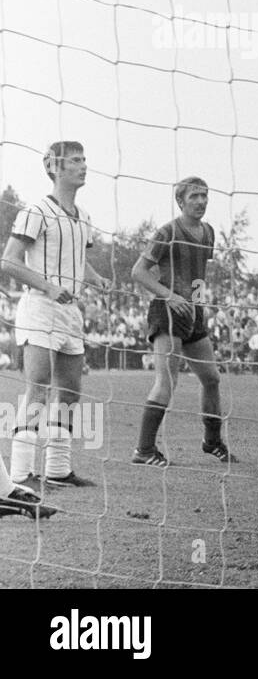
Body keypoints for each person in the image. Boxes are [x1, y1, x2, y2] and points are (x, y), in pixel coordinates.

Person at [0, 142, 111, 488]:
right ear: (55, 168)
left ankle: (58, 469)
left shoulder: (84, 217)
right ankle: (20, 475)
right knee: (38, 388)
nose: (83, 166)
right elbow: (9, 260)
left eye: (84, 159)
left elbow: (78, 258)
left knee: (71, 391)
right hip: (40, 307)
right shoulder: (36, 211)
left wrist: (95, 279)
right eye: (75, 161)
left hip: (70, 312)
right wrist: (48, 287)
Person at [130, 177, 236, 466]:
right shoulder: (167, 232)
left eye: (204, 196)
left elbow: (200, 273)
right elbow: (138, 272)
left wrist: (199, 305)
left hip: (194, 314)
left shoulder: (209, 233)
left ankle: (211, 441)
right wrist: (170, 296)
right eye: (194, 197)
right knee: (168, 381)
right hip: (166, 313)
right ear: (180, 201)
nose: (201, 201)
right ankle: (144, 450)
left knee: (211, 379)